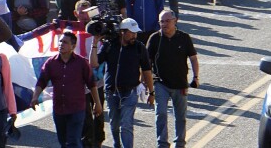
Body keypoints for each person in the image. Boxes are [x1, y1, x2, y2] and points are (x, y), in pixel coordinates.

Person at [31, 30, 102, 148]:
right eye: (60, 41)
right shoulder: (51, 63)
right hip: (59, 109)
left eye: (65, 42)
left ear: (73, 46)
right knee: (63, 142)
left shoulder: (81, 63)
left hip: (77, 109)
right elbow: (42, 81)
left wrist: (97, 104)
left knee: (74, 142)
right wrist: (35, 97)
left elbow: (91, 84)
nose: (61, 44)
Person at [145, 10, 199, 148]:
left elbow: (193, 58)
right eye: (161, 21)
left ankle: (179, 143)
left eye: (167, 21)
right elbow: (146, 62)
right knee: (161, 114)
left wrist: (196, 77)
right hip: (160, 83)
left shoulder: (184, 38)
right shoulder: (154, 38)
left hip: (180, 84)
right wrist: (144, 81)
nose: (164, 24)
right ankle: (162, 143)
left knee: (180, 117)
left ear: (175, 21)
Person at [96, 18, 153, 148]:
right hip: (112, 92)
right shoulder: (109, 46)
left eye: (135, 33)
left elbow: (147, 70)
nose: (134, 35)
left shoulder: (139, 47)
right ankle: (117, 144)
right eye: (131, 32)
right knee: (114, 124)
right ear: (122, 32)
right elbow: (94, 63)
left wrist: (152, 91)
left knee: (126, 124)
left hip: (130, 92)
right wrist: (95, 43)